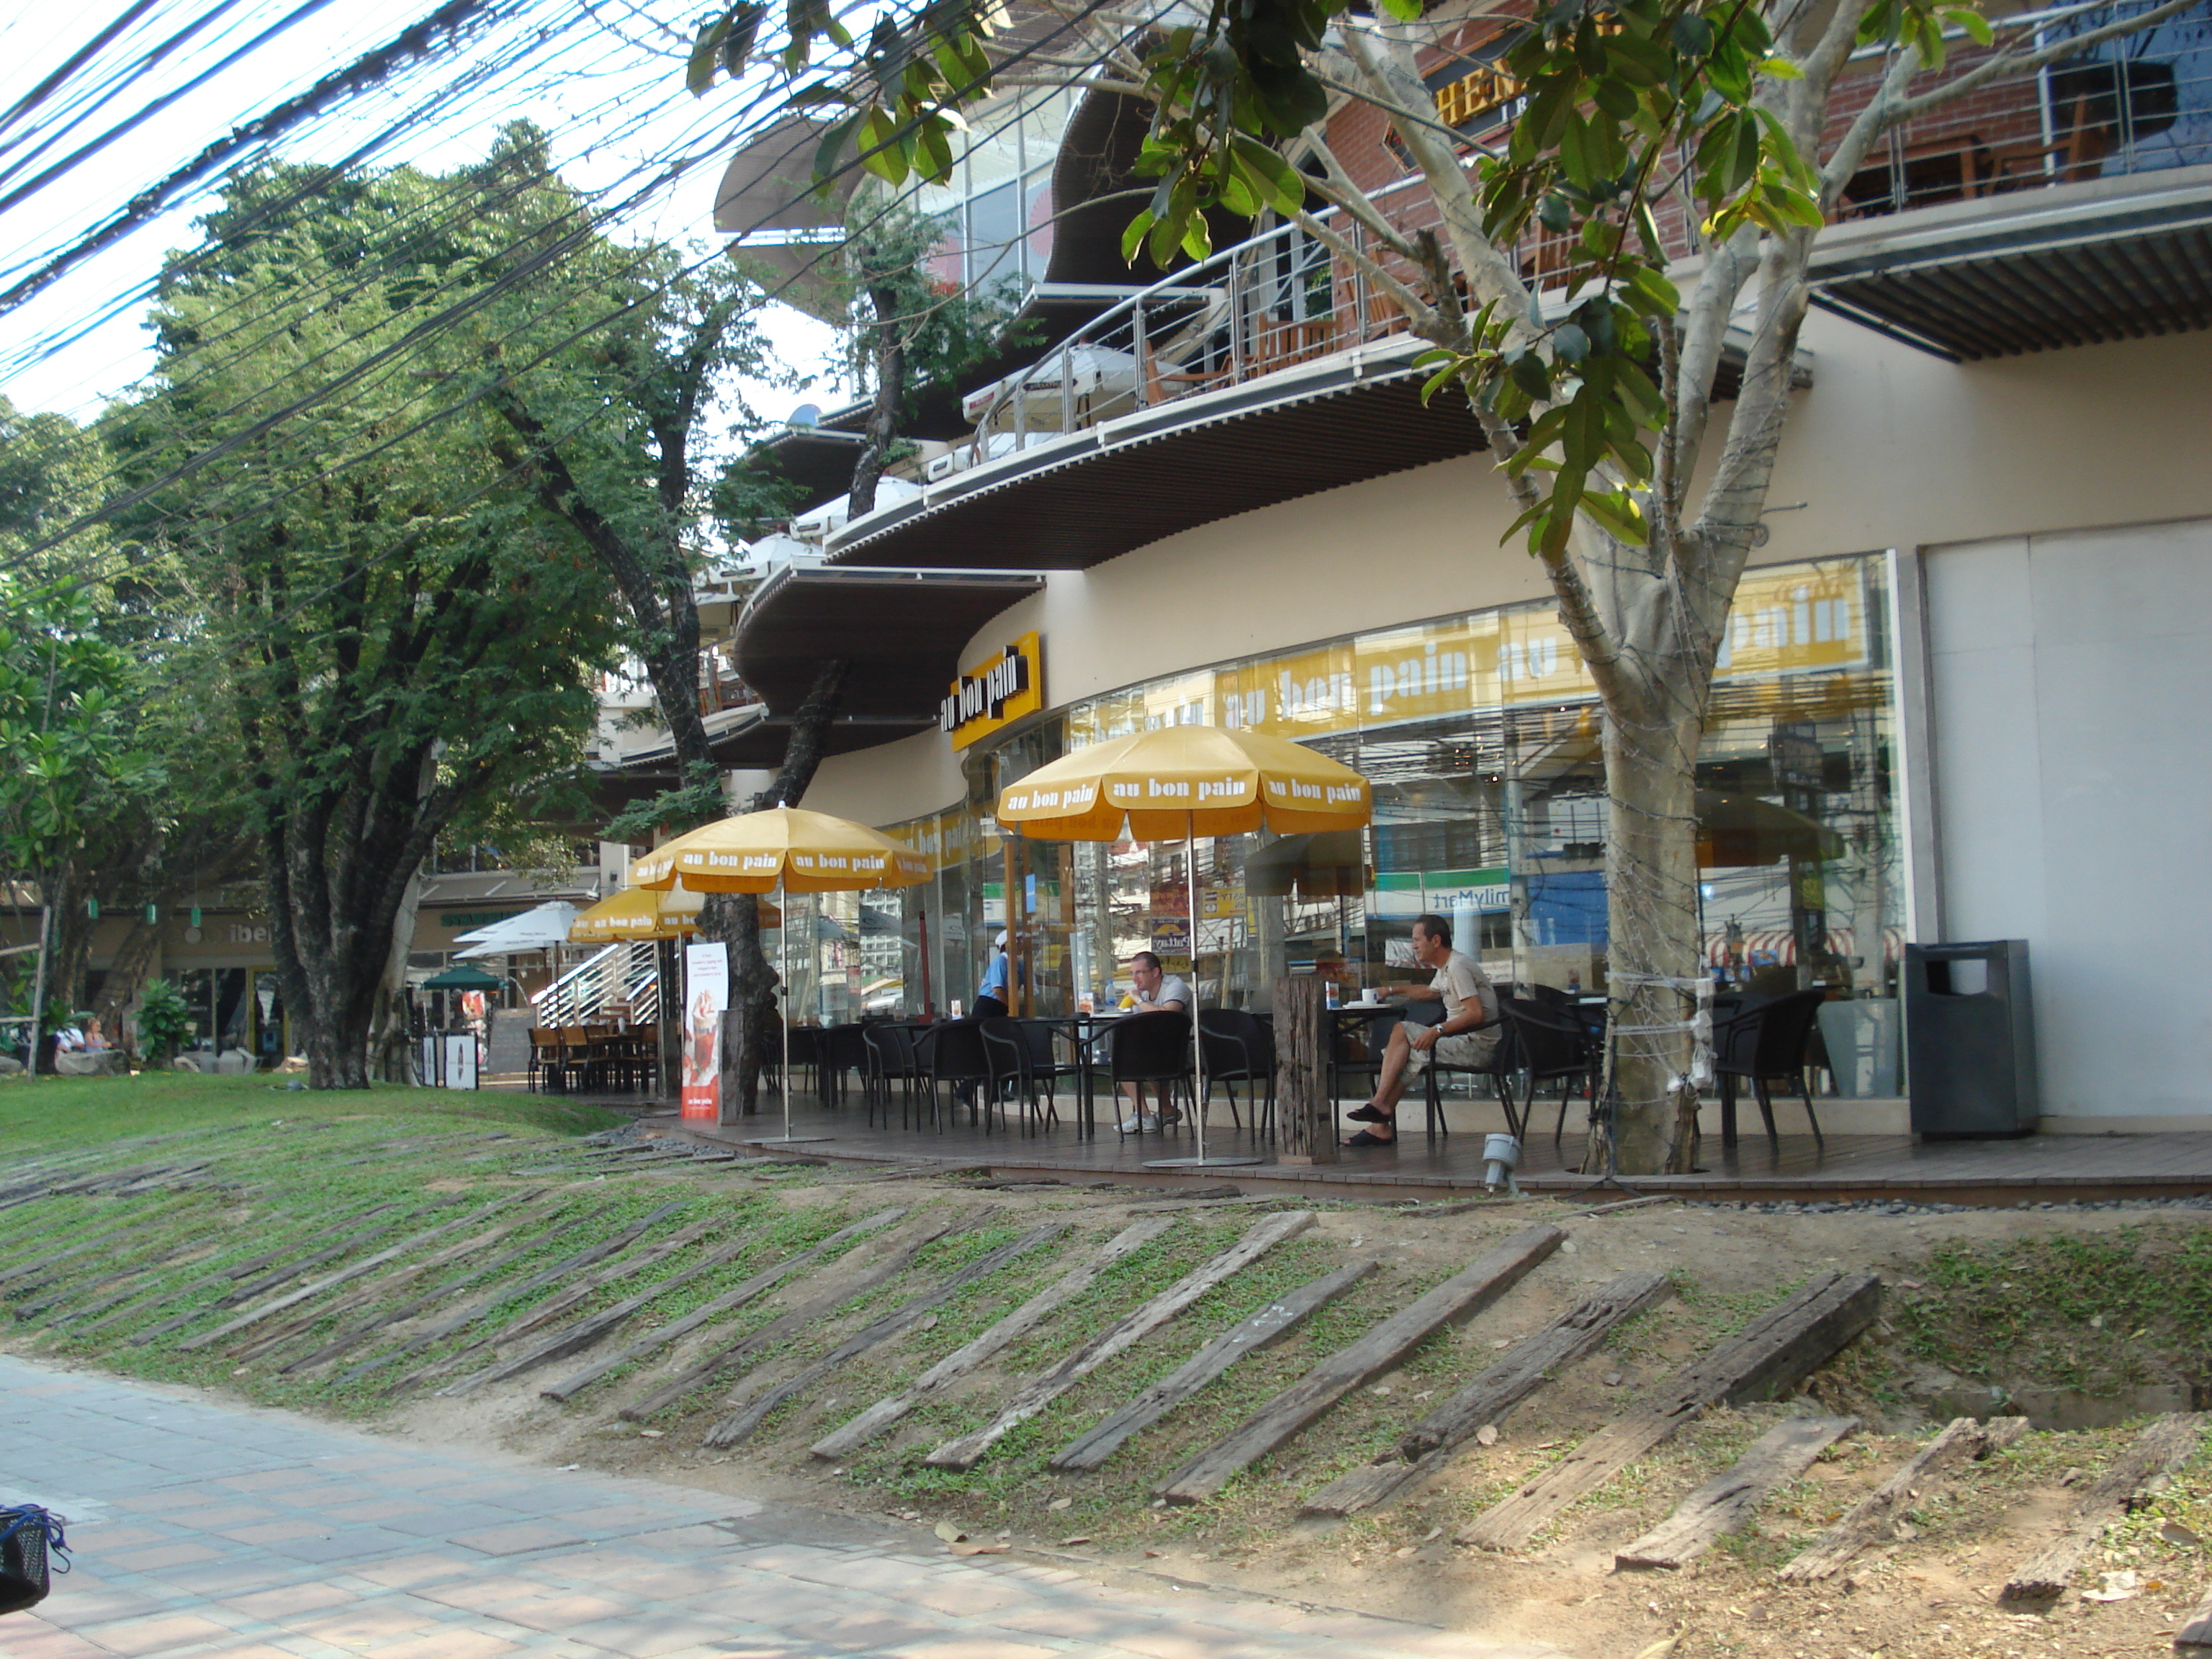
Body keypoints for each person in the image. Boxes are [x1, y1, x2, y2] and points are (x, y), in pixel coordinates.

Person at [1343, 913, 1499, 1148]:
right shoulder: (1446, 967)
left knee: (1402, 1031)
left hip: (1477, 1047)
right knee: (1410, 1050)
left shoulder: (1457, 968)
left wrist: (1437, 1030)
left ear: (1435, 940)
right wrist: (1391, 990)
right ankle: (1379, 1123)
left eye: (1417, 939)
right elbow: (1429, 992)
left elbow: (1475, 1013)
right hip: (1463, 1041)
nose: (1414, 945)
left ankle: (1379, 1106)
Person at [1118, 950, 1194, 1133]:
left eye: (1139, 973)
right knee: (1122, 1056)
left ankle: (1165, 1111)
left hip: (1186, 1049)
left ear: (1155, 972)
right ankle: (1145, 1115)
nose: (1135, 978)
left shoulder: (1175, 986)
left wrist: (1136, 999)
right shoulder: (1143, 995)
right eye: (1132, 973)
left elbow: (1166, 1015)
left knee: (1144, 1055)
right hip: (1157, 1048)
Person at [974, 930, 1011, 1020]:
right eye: (1019, 940)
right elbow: (997, 989)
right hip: (990, 1006)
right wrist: (1012, 1007)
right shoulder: (1001, 961)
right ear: (1007, 945)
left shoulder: (1018, 963)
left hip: (1001, 1005)